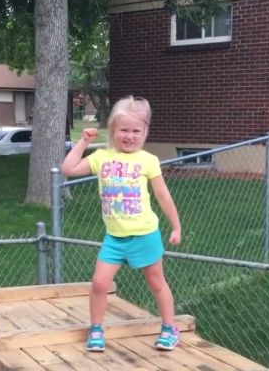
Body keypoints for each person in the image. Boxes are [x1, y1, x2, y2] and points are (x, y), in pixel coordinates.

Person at [61, 96, 182, 352]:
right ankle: (96, 329)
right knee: (99, 283)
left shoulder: (148, 160)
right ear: (113, 130)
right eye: (123, 130)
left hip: (145, 235)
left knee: (157, 282)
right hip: (114, 238)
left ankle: (170, 328)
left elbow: (162, 195)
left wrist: (176, 226)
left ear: (145, 131)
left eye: (136, 131)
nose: (130, 136)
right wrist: (84, 141)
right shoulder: (102, 157)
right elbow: (69, 168)